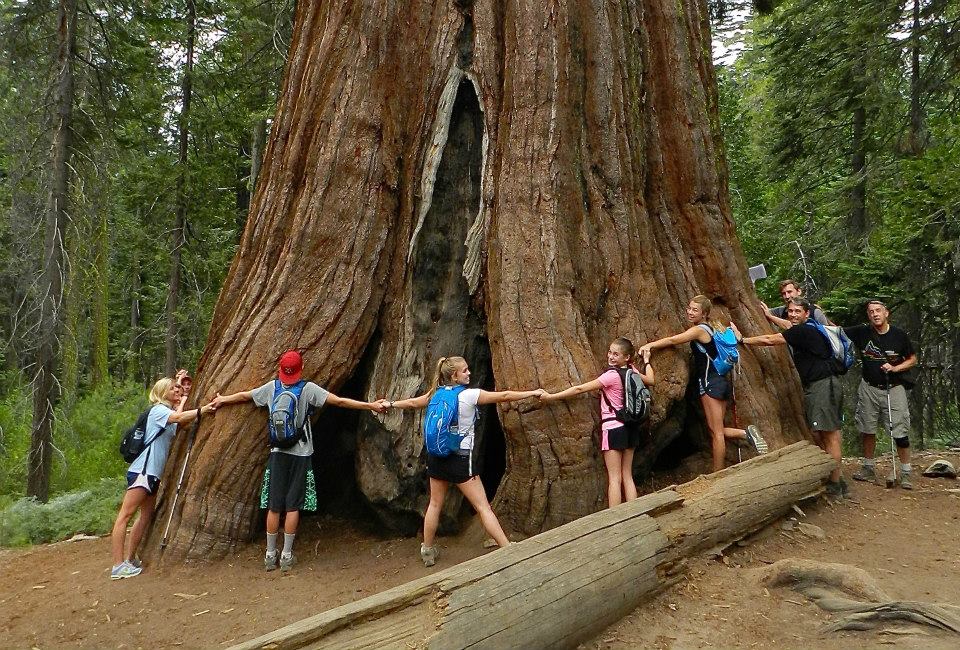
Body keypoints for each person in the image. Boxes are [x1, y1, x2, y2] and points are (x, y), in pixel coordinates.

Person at [211, 350, 389, 571]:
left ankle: (269, 555)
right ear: (301, 369)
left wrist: (222, 399)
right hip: (301, 454)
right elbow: (340, 401)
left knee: (274, 506)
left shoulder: (272, 388)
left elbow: (245, 396)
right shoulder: (308, 389)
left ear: (280, 370)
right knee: (293, 505)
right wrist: (371, 406)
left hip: (277, 452)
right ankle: (286, 556)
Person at [386, 356, 542, 567]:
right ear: (454, 375)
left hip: (436, 458)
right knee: (483, 507)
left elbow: (413, 403)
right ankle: (507, 548)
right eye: (465, 370)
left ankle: (427, 549)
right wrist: (533, 393)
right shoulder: (469, 395)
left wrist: (390, 403)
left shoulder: (435, 394)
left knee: (434, 504)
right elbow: (504, 395)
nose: (469, 373)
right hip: (460, 460)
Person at [638, 295, 767, 472]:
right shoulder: (717, 327)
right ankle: (746, 434)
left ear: (704, 313)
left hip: (709, 383)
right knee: (716, 429)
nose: (690, 312)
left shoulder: (700, 330)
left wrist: (651, 345)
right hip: (720, 381)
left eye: (695, 310)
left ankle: (718, 473)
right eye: (689, 308)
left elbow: (674, 340)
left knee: (716, 433)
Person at [110, 377, 215, 579]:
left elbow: (179, 421)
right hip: (143, 471)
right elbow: (177, 419)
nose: (176, 390)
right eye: (172, 388)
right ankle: (117, 565)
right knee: (125, 515)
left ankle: (130, 558)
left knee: (146, 515)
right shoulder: (158, 410)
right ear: (161, 392)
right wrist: (203, 410)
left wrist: (183, 399)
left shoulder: (166, 413)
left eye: (177, 388)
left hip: (153, 474)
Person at [743, 297, 847, 497]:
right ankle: (836, 478)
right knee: (824, 433)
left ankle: (836, 484)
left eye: (797, 311)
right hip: (824, 385)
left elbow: (771, 340)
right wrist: (769, 316)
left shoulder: (803, 330)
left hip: (823, 386)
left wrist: (743, 340)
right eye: (790, 311)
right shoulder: (809, 328)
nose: (792, 314)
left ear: (807, 313)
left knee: (829, 435)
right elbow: (789, 326)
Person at [540, 338, 655, 508]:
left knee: (614, 479)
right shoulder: (632, 371)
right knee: (627, 475)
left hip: (613, 428)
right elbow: (651, 380)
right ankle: (635, 513)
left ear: (627, 357)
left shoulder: (611, 376)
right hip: (631, 428)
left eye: (616, 354)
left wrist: (551, 397)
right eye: (610, 352)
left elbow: (580, 389)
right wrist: (646, 361)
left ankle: (614, 519)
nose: (611, 357)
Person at [844, 301, 918, 489]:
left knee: (899, 431)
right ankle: (868, 467)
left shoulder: (899, 335)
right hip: (869, 387)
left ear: (886, 313)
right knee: (867, 428)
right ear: (868, 315)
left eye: (878, 311)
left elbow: (912, 359)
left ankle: (906, 471)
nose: (875, 314)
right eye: (871, 312)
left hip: (893, 388)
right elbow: (836, 330)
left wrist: (895, 368)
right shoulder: (862, 332)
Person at [760, 279, 829, 330]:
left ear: (799, 291)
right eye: (784, 293)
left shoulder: (815, 312)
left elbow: (828, 334)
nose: (787, 296)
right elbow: (763, 311)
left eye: (789, 292)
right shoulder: (782, 311)